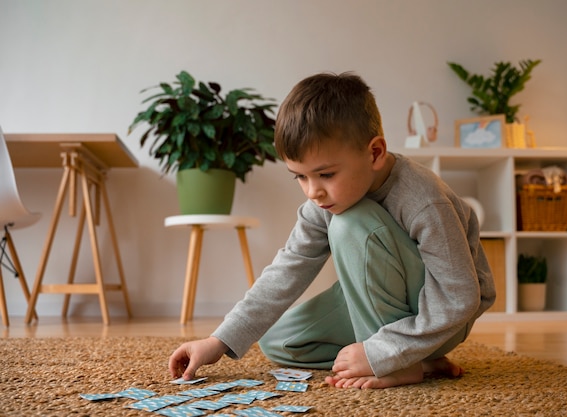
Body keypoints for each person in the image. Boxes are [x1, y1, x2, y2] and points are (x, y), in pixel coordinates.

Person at [168, 72, 496, 389]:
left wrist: (382, 354)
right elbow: (288, 267)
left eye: (325, 174)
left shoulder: (423, 199)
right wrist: (219, 340)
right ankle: (417, 359)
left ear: (375, 153)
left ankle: (397, 360)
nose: (313, 191)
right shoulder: (321, 203)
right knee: (278, 342)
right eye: (300, 176)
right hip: (376, 303)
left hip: (443, 314)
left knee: (351, 221)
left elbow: (459, 298)